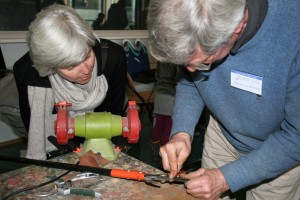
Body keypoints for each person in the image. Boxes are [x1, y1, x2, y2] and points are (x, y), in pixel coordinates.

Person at [147, 0, 300, 200]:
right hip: (222, 133)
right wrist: (182, 132)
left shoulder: (293, 32)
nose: (190, 70)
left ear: (237, 27)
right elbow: (191, 81)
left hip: (280, 150)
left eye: (203, 63)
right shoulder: (196, 27)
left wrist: (226, 178)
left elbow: (296, 136)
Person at [13, 4, 127, 160]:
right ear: (49, 65)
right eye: (71, 66)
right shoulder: (28, 72)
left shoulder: (113, 57)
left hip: (102, 140)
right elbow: (34, 127)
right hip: (56, 148)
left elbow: (113, 115)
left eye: (87, 56)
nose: (86, 70)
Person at [151, 62, 180, 163]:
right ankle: (166, 154)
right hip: (172, 94)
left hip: (160, 92)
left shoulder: (162, 55)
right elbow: (178, 78)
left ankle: (155, 153)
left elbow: (157, 74)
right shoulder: (177, 57)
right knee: (169, 126)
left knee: (159, 124)